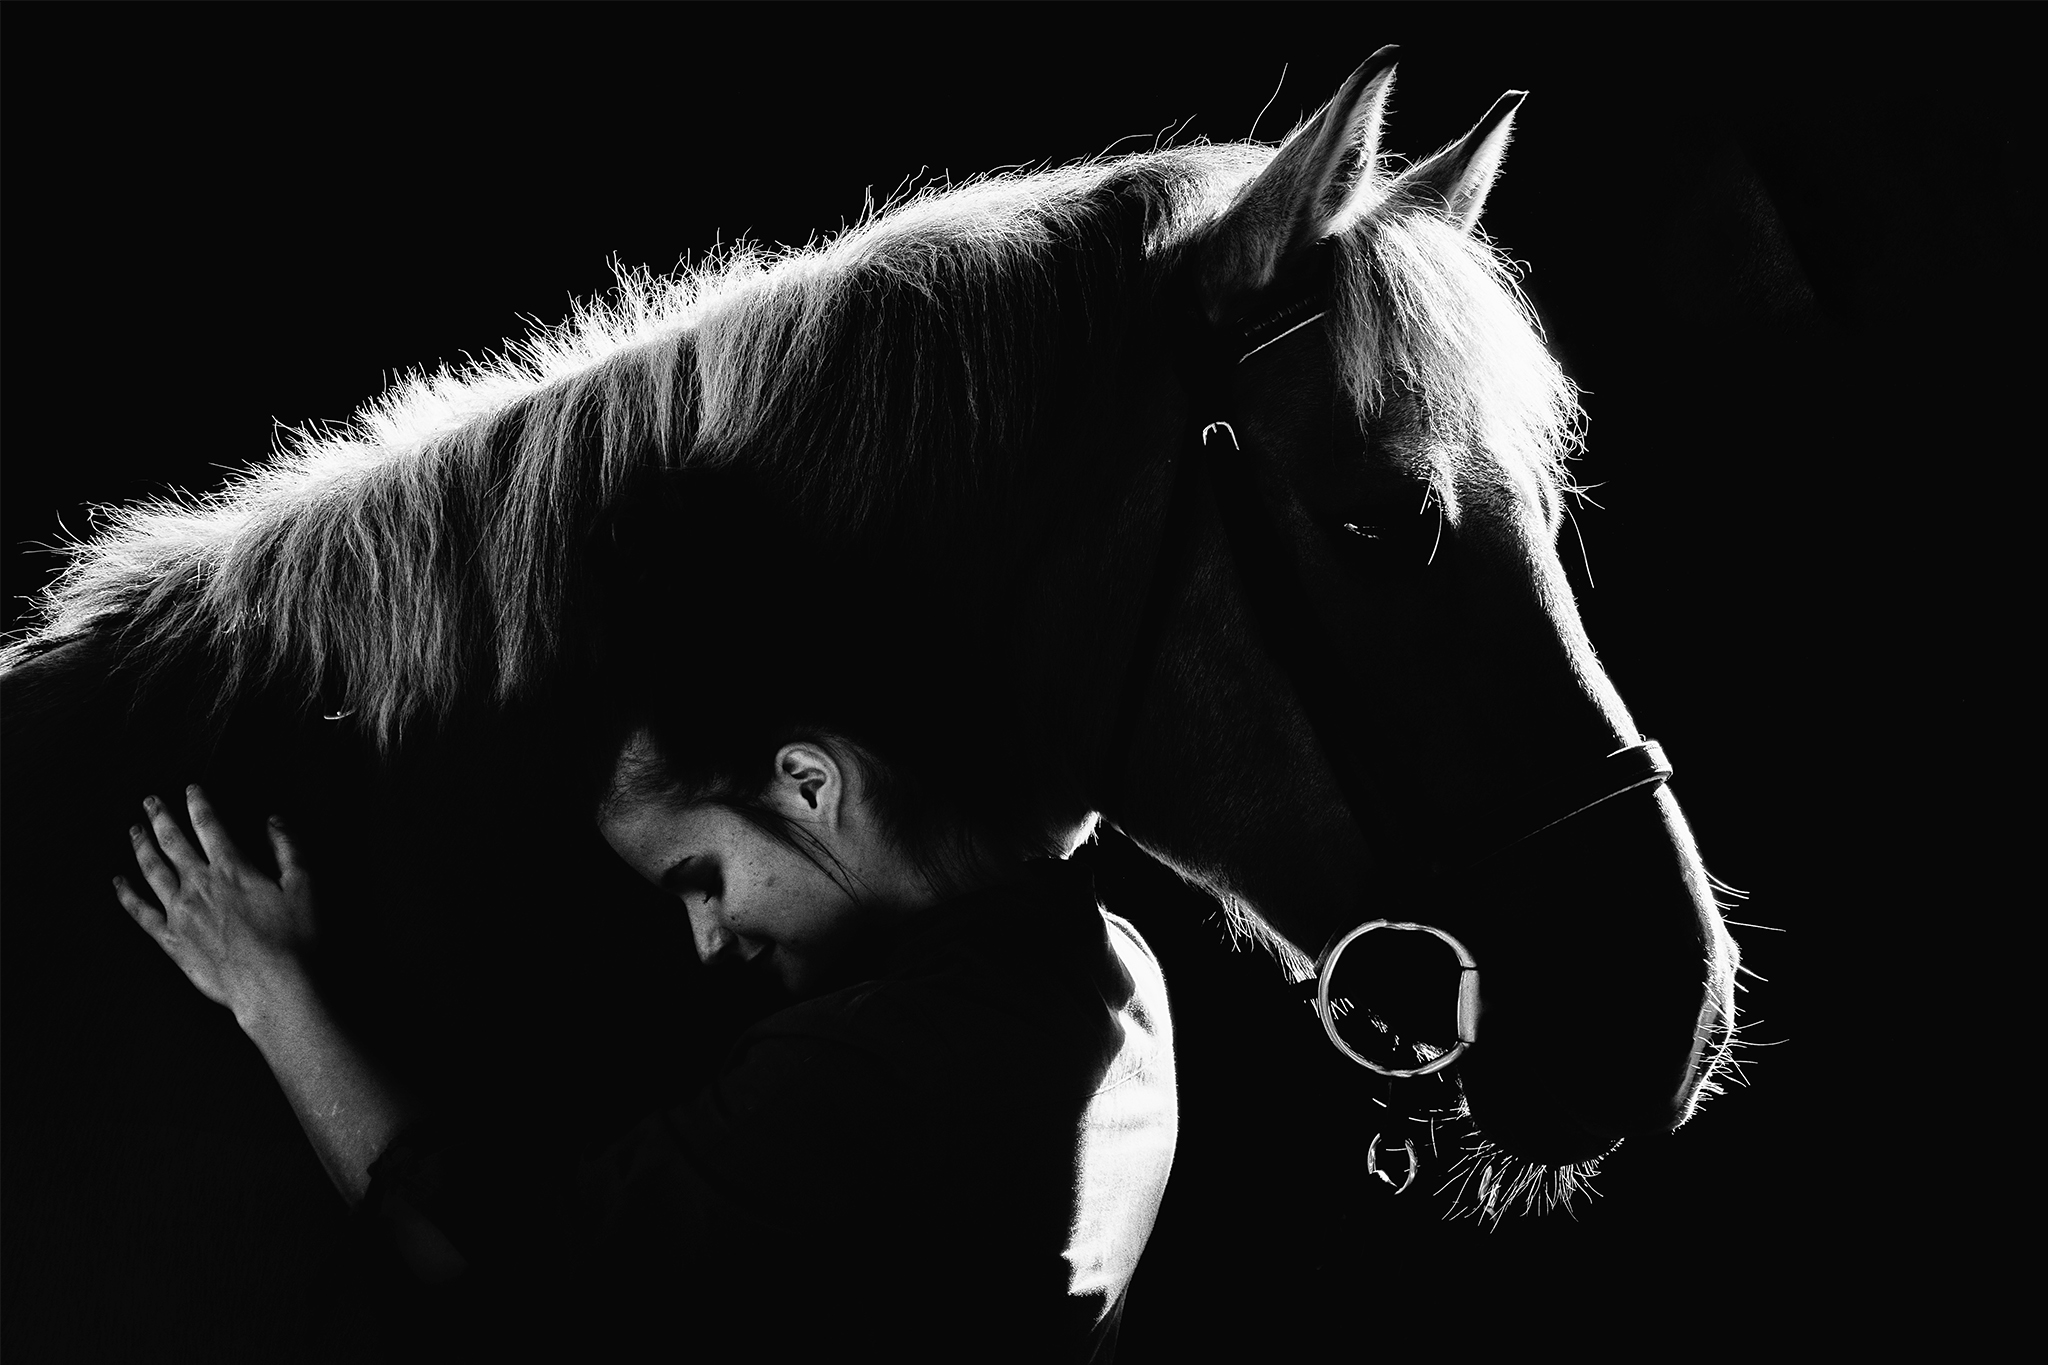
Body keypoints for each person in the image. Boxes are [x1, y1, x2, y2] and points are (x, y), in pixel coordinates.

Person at [114, 724, 1177, 1361]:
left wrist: (269, 989)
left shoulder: (873, 1069)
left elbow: (483, 1269)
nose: (708, 941)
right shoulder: (1118, 968)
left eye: (701, 877)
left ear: (809, 783)